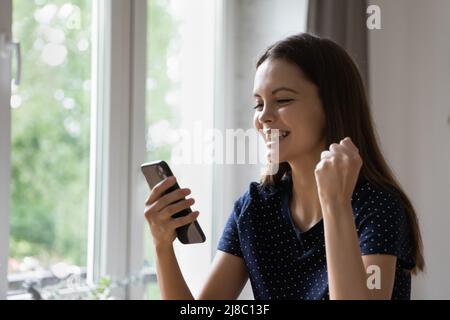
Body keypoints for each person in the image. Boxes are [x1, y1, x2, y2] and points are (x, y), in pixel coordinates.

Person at [144, 33, 424, 300]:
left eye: (283, 100)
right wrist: (162, 245)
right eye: (258, 104)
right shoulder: (254, 208)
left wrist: (335, 203)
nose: (263, 117)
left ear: (331, 106)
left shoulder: (378, 206)